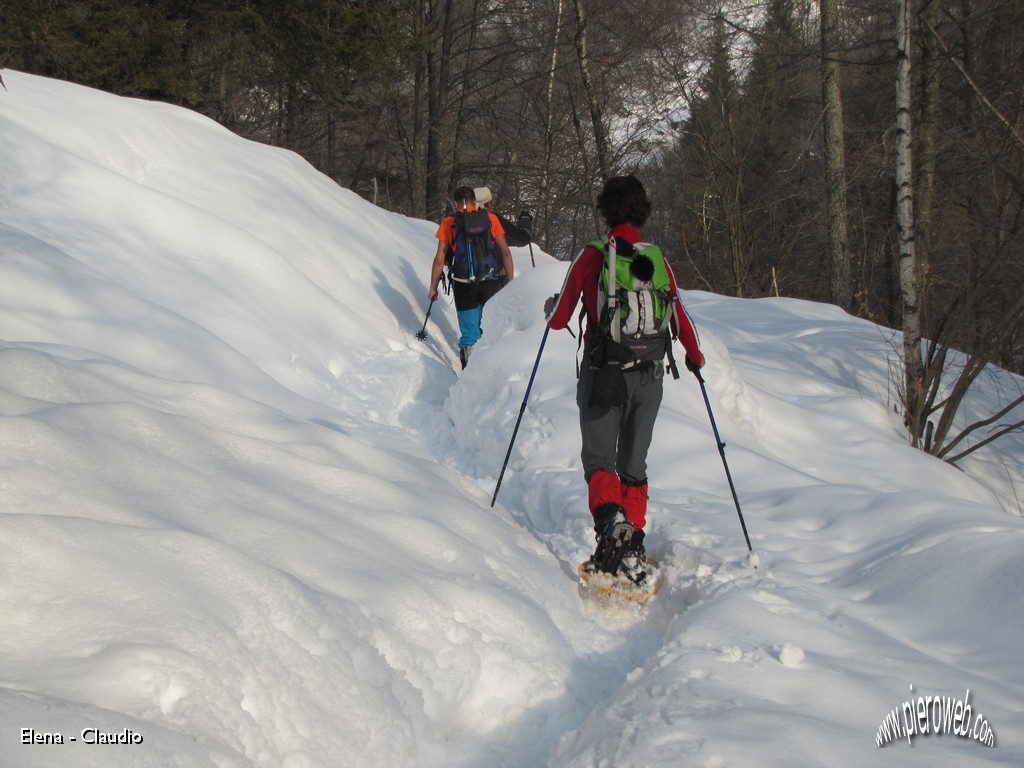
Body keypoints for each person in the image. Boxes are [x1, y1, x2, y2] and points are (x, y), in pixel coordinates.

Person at [543, 175, 705, 586]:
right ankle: (632, 549)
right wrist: (695, 356)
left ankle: (612, 525)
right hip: (650, 377)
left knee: (600, 460)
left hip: (604, 375)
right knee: (634, 465)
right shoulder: (656, 261)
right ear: (642, 210)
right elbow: (681, 317)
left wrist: (550, 307)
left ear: (605, 209)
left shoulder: (593, 257)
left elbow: (560, 318)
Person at [429, 186, 515, 368]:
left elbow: (439, 259)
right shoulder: (490, 219)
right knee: (492, 328)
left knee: (470, 334)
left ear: (455, 203)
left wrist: (433, 288)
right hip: (491, 282)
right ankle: (493, 371)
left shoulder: (448, 223)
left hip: (463, 284)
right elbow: (505, 253)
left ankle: (469, 373)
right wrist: (511, 282)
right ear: (475, 202)